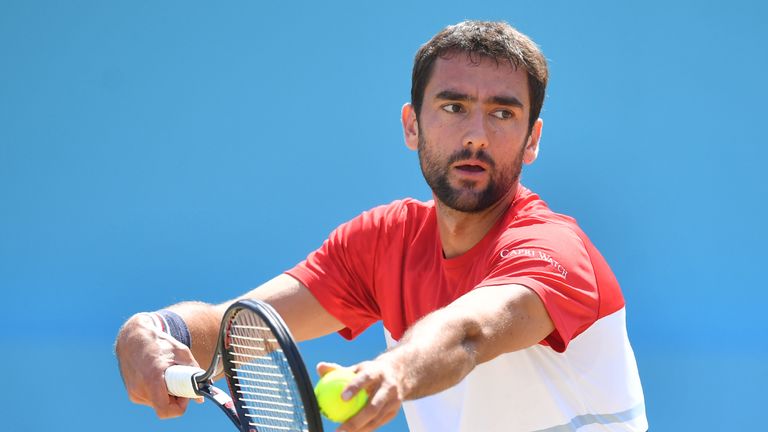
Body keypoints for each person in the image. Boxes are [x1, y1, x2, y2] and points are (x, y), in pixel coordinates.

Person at [115, 20, 648, 432]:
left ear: (532, 140)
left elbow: (467, 333)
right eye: (454, 106)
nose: (476, 135)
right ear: (412, 126)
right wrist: (156, 332)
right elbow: (240, 329)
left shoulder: (554, 249)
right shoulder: (381, 244)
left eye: (503, 114)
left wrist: (393, 372)